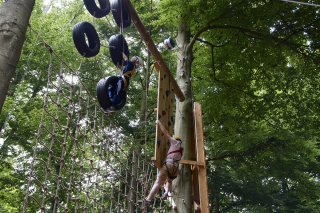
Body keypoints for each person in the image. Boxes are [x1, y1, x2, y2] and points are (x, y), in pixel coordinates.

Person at [138, 120, 184, 206]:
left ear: (176, 140)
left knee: (158, 182)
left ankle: (148, 199)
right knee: (169, 181)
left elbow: (166, 133)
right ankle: (166, 192)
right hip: (175, 169)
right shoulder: (182, 149)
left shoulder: (175, 142)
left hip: (169, 165)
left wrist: (159, 123)